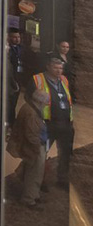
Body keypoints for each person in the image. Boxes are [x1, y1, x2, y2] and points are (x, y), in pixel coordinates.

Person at [35, 54, 76, 193]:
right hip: (48, 124)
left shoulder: (64, 80)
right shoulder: (38, 79)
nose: (59, 71)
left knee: (65, 154)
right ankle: (40, 181)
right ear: (48, 66)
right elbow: (30, 98)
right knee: (41, 154)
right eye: (55, 67)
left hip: (65, 124)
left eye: (61, 68)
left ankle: (62, 178)